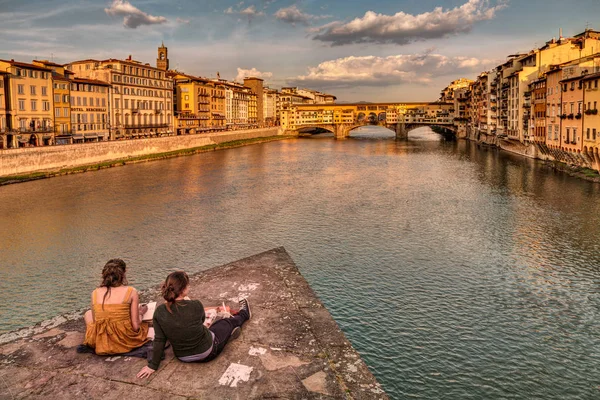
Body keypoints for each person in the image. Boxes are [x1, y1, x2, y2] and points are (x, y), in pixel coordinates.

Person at [137, 271, 251, 379]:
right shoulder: (195, 305)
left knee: (215, 328)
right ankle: (244, 313)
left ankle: (227, 334)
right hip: (208, 351)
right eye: (188, 285)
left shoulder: (159, 311)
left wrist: (152, 366)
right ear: (183, 289)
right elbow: (201, 321)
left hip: (183, 357)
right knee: (225, 322)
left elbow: (159, 340)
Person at [83, 259, 150, 355]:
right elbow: (135, 327)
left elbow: (96, 322)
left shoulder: (95, 292)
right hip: (125, 339)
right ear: (124, 273)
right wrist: (141, 313)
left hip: (102, 340)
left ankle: (105, 339)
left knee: (88, 313)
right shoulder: (131, 291)